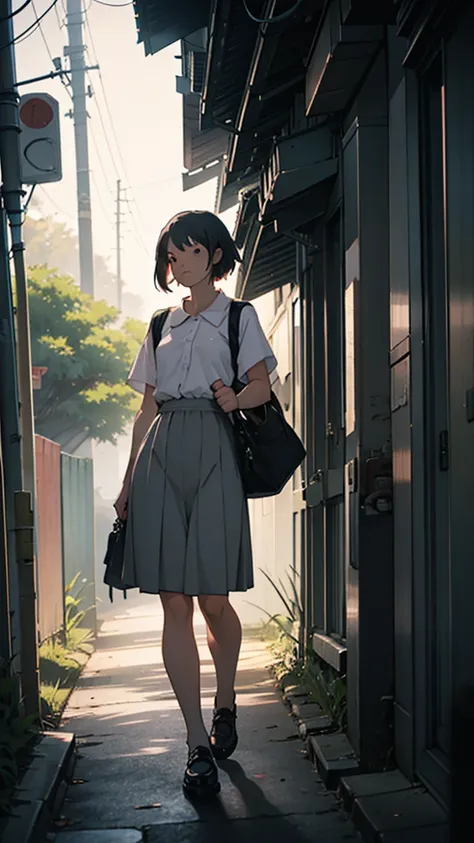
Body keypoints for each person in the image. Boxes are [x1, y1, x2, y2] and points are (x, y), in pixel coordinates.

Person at [114, 210, 277, 799]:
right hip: (161, 453)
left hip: (215, 444)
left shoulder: (239, 316)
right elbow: (145, 410)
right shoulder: (160, 322)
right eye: (170, 255)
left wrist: (235, 397)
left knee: (213, 599)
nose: (176, 262)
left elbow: (262, 385)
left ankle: (226, 699)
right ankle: (195, 744)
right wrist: (128, 483)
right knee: (173, 601)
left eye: (185, 251)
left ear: (212, 254)